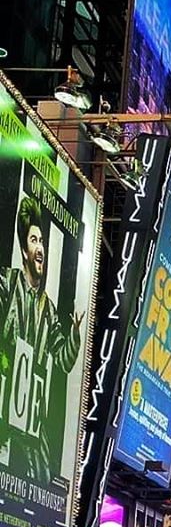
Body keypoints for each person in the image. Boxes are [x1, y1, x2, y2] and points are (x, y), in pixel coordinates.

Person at [0, 194, 85, 485]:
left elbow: (62, 359)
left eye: (42, 241)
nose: (40, 248)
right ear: (24, 249)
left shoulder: (47, 309)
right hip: (4, 416)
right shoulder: (6, 284)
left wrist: (74, 335)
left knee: (42, 481)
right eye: (34, 240)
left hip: (33, 424)